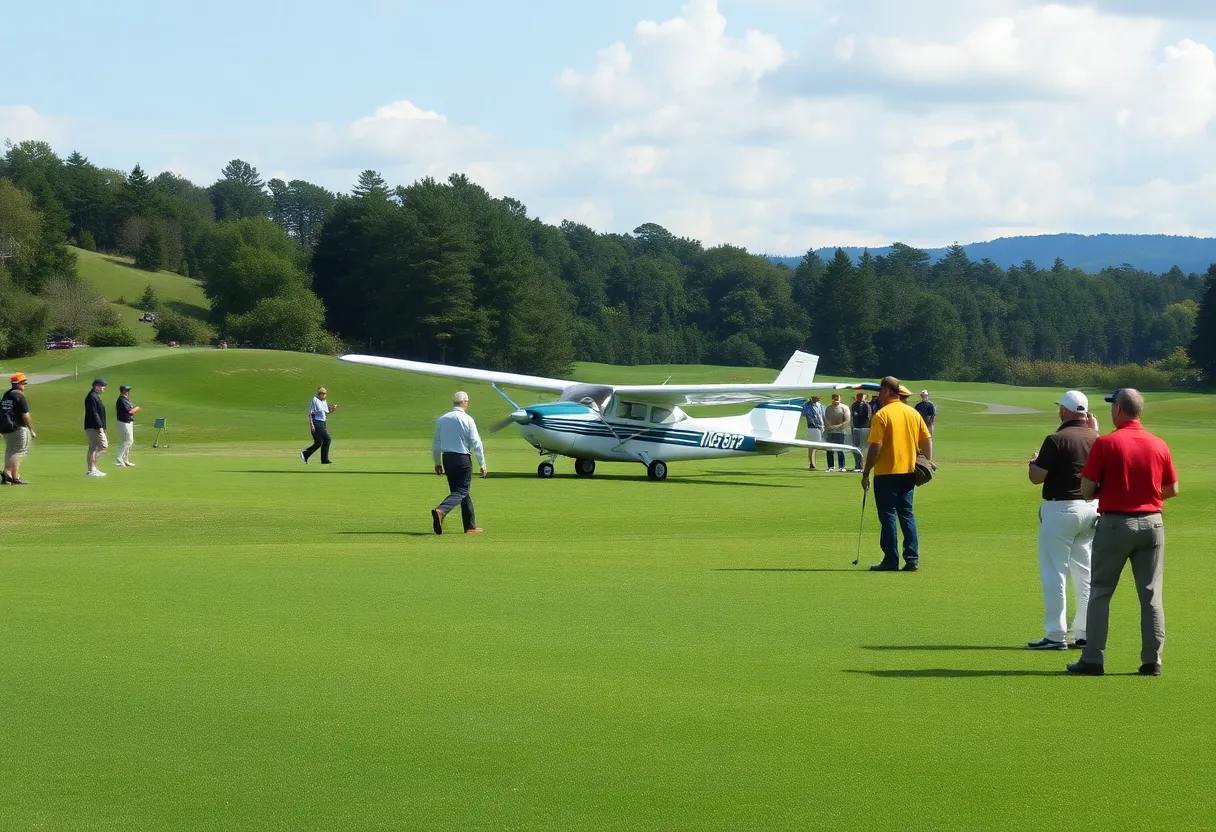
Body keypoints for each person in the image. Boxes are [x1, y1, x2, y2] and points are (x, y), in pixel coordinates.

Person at [1067, 389, 1179, 677]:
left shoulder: (1106, 443)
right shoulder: (1158, 443)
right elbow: (1171, 489)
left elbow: (1088, 488)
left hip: (1116, 524)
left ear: (1118, 409)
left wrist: (1113, 489)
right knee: (1151, 596)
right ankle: (1152, 660)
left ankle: (1093, 659)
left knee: (1101, 592)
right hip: (1153, 524)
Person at [1026, 390, 1098, 650]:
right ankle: (1084, 632)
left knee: (1055, 572)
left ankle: (1056, 634)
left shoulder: (1055, 439)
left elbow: (1037, 477)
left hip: (1061, 510)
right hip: (1091, 509)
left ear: (1065, 411)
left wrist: (1032, 463)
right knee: (1084, 573)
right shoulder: (1096, 439)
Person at [861, 376, 933, 571]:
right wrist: (928, 461)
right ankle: (912, 558)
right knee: (907, 514)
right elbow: (927, 439)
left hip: (886, 473)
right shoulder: (912, 413)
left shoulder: (882, 415)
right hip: (909, 472)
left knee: (888, 516)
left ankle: (891, 560)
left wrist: (866, 471)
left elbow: (875, 447)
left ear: (885, 390)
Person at [431, 391, 487, 535]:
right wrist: (482, 463)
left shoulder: (442, 419)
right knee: (462, 491)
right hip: (462, 458)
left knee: (460, 492)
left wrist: (437, 461)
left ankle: (470, 526)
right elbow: (476, 443)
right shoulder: (467, 419)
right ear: (464, 402)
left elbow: (436, 442)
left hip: (447, 458)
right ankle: (441, 510)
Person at [1, 372, 35, 485]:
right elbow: (25, 415)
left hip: (5, 428)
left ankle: (12, 477)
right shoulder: (19, 396)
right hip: (18, 427)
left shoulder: (6, 395)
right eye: (23, 383)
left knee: (10, 451)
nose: (24, 385)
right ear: (19, 384)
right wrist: (31, 430)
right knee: (20, 451)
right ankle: (7, 472)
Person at [300, 387, 339, 465]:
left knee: (318, 442)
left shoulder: (324, 401)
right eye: (322, 393)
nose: (324, 395)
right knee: (327, 439)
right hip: (317, 422)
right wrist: (312, 425)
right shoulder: (315, 400)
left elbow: (326, 412)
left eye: (325, 393)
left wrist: (332, 409)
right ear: (319, 393)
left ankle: (306, 454)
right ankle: (324, 459)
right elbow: (311, 414)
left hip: (323, 422)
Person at [84, 378, 109, 477]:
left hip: (93, 426)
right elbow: (94, 413)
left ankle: (92, 469)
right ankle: (92, 467)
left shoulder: (94, 396)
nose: (103, 389)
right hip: (94, 427)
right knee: (103, 446)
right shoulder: (92, 397)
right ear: (97, 386)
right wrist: (100, 427)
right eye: (103, 386)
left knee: (93, 448)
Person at [823, 393, 851, 472]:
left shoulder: (844, 407)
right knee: (829, 449)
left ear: (840, 398)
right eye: (834, 397)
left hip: (840, 432)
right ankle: (830, 466)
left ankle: (842, 466)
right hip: (830, 432)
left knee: (840, 448)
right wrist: (828, 427)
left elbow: (847, 421)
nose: (835, 399)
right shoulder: (828, 408)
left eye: (837, 397)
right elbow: (826, 420)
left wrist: (838, 427)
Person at [114, 384, 141, 467]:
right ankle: (119, 458)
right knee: (128, 441)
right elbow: (130, 411)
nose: (128, 392)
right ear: (125, 392)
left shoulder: (125, 400)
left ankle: (126, 460)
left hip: (127, 422)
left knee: (127, 441)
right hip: (125, 423)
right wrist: (137, 408)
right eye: (128, 391)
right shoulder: (122, 400)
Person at [800, 395, 825, 470]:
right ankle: (812, 463)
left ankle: (813, 462)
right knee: (812, 446)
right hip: (812, 427)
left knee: (817, 445)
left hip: (821, 427)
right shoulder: (807, 405)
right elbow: (804, 414)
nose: (819, 398)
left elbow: (823, 416)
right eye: (818, 397)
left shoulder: (820, 405)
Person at [849, 392, 872, 473]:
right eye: (858, 396)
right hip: (856, 429)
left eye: (861, 396)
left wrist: (863, 427)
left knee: (864, 448)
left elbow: (867, 418)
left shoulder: (866, 405)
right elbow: (851, 415)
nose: (859, 397)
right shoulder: (854, 405)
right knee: (856, 447)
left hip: (864, 429)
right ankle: (857, 465)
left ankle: (863, 465)